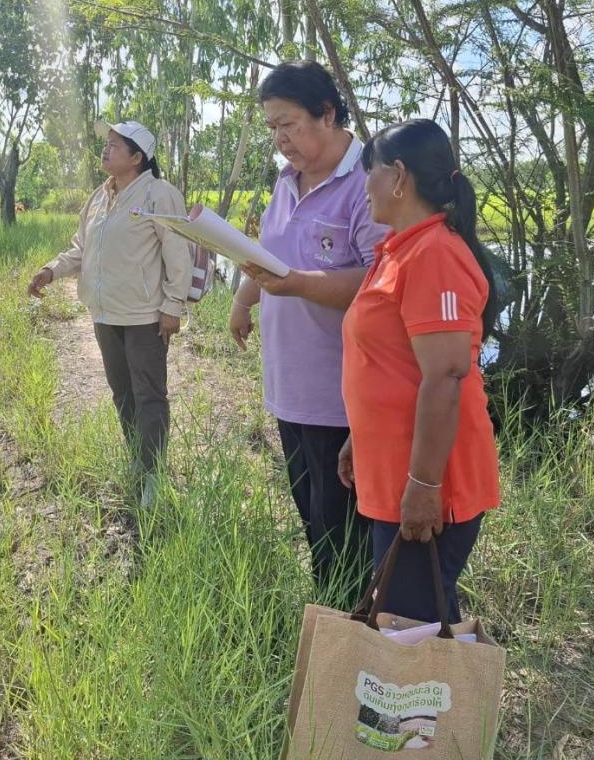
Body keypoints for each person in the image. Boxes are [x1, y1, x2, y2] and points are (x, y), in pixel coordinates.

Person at [231, 61, 388, 605]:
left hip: (339, 394)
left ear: (327, 113)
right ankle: (331, 623)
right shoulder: (287, 178)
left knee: (343, 525)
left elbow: (382, 279)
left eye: (289, 124)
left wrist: (298, 285)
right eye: (272, 127)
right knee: (313, 516)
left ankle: (351, 630)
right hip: (289, 385)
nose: (280, 140)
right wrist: (245, 299)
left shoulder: (369, 180)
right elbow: (270, 255)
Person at [338, 119, 502, 624]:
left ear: (399, 177)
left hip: (430, 479)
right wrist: (357, 438)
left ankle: (425, 709)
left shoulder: (434, 256)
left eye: (370, 171)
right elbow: (389, 362)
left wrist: (426, 486)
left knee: (412, 629)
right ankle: (421, 707)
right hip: (395, 469)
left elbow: (446, 376)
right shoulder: (401, 249)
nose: (364, 185)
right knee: (411, 621)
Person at [28, 121, 192, 510]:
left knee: (149, 394)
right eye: (107, 143)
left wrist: (172, 307)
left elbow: (177, 254)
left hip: (144, 316)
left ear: (137, 157)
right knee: (122, 393)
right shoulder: (99, 198)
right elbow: (81, 249)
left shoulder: (159, 194)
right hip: (104, 314)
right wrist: (51, 270)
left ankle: (154, 474)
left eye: (115, 145)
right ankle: (138, 457)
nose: (106, 150)